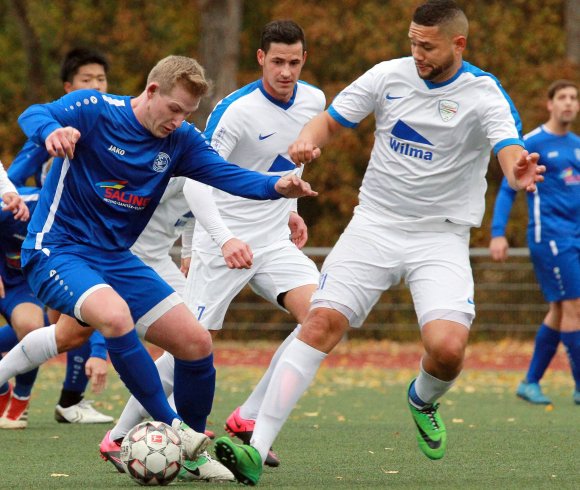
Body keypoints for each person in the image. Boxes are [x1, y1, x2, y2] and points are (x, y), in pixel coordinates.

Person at [213, 1, 545, 484]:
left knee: (448, 349)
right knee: (321, 320)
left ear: (459, 44)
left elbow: (508, 147)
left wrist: (516, 171)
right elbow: (328, 121)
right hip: (375, 225)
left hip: (442, 236)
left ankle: (423, 398)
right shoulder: (387, 75)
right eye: (412, 42)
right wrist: (307, 137)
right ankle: (255, 447)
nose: (416, 53)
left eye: (427, 46)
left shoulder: (484, 93)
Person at [0, 55, 316, 465]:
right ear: (151, 91)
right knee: (113, 316)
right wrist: (51, 130)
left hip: (117, 258)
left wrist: (277, 185)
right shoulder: (95, 110)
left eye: (187, 113)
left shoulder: (180, 139)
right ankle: (177, 431)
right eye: (173, 109)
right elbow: (33, 113)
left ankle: (195, 451)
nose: (178, 120)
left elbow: (225, 175)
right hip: (57, 248)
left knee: (196, 342)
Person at [101, 20, 325, 479]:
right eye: (277, 61)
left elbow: (278, 165)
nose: (286, 71)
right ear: (261, 59)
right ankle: (119, 437)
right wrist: (224, 239)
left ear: (304, 60)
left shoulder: (314, 101)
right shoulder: (235, 110)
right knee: (192, 344)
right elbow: (196, 184)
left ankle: (250, 416)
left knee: (322, 315)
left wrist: (289, 209)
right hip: (221, 242)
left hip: (273, 240)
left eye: (295, 62)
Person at [7, 47, 113, 425]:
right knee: (67, 324)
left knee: (69, 326)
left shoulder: (112, 126)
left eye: (101, 80)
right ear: (70, 87)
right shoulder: (48, 131)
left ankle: (70, 401)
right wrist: (16, 204)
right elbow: (13, 181)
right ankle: (66, 401)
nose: (97, 87)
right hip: (52, 240)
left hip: (88, 236)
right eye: (88, 81)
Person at [489, 79, 579, 405]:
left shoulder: (576, 144)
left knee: (559, 310)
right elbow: (506, 189)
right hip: (550, 237)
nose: (569, 103)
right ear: (550, 104)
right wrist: (498, 233)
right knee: (574, 308)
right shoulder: (533, 141)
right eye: (562, 98)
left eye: (574, 97)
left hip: (574, 237)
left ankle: (530, 382)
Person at [0, 187, 39, 429]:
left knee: (31, 328)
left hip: (23, 288)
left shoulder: (76, 214)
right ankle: (2, 390)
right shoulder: (20, 203)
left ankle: (21, 397)